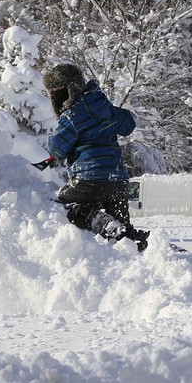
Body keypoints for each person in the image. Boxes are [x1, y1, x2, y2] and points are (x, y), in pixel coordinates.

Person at [43, 63, 150, 251]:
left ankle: (101, 221)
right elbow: (128, 125)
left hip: (89, 180)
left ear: (70, 90)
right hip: (117, 180)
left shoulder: (72, 116)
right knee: (122, 233)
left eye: (58, 93)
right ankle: (147, 247)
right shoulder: (104, 106)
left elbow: (57, 149)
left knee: (59, 208)